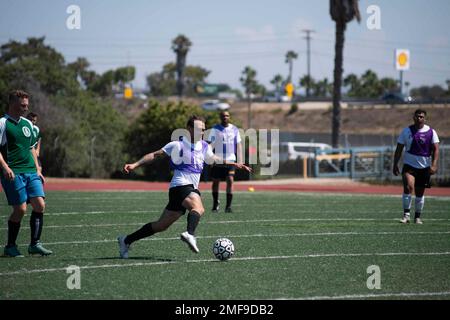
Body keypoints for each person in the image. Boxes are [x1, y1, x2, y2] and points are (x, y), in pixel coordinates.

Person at [117, 115, 251, 259]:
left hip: (183, 189)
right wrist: (135, 165)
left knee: (161, 226)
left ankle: (126, 240)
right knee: (198, 208)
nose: (202, 132)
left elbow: (214, 159)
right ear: (189, 129)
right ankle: (190, 234)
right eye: (199, 129)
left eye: (204, 130)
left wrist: (234, 163)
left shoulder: (204, 146)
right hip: (180, 185)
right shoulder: (177, 145)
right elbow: (154, 155)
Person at [0, 90, 52, 257]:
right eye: (23, 105)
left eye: (27, 105)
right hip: (13, 172)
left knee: (40, 205)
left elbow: (31, 149)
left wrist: (38, 169)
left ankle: (35, 244)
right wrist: (5, 168)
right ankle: (10, 246)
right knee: (20, 209)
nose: (26, 108)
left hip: (31, 171)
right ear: (13, 103)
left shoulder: (28, 124)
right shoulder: (2, 123)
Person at [393, 109, 440, 224]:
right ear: (413, 117)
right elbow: (399, 149)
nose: (419, 119)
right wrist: (395, 164)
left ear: (425, 118)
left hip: (424, 167)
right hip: (409, 165)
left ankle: (417, 217)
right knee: (409, 187)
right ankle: (406, 215)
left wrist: (433, 165)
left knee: (420, 192)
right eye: (417, 116)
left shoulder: (431, 132)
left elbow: (436, 149)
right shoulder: (406, 131)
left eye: (421, 117)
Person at [207, 111, 242, 213]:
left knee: (230, 180)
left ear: (229, 117)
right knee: (215, 182)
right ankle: (215, 204)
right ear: (220, 117)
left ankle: (228, 206)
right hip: (218, 159)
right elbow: (209, 144)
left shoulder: (235, 129)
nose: (225, 117)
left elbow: (239, 144)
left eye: (227, 116)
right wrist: (210, 157)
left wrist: (240, 160)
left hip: (231, 159)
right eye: (223, 116)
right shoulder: (215, 129)